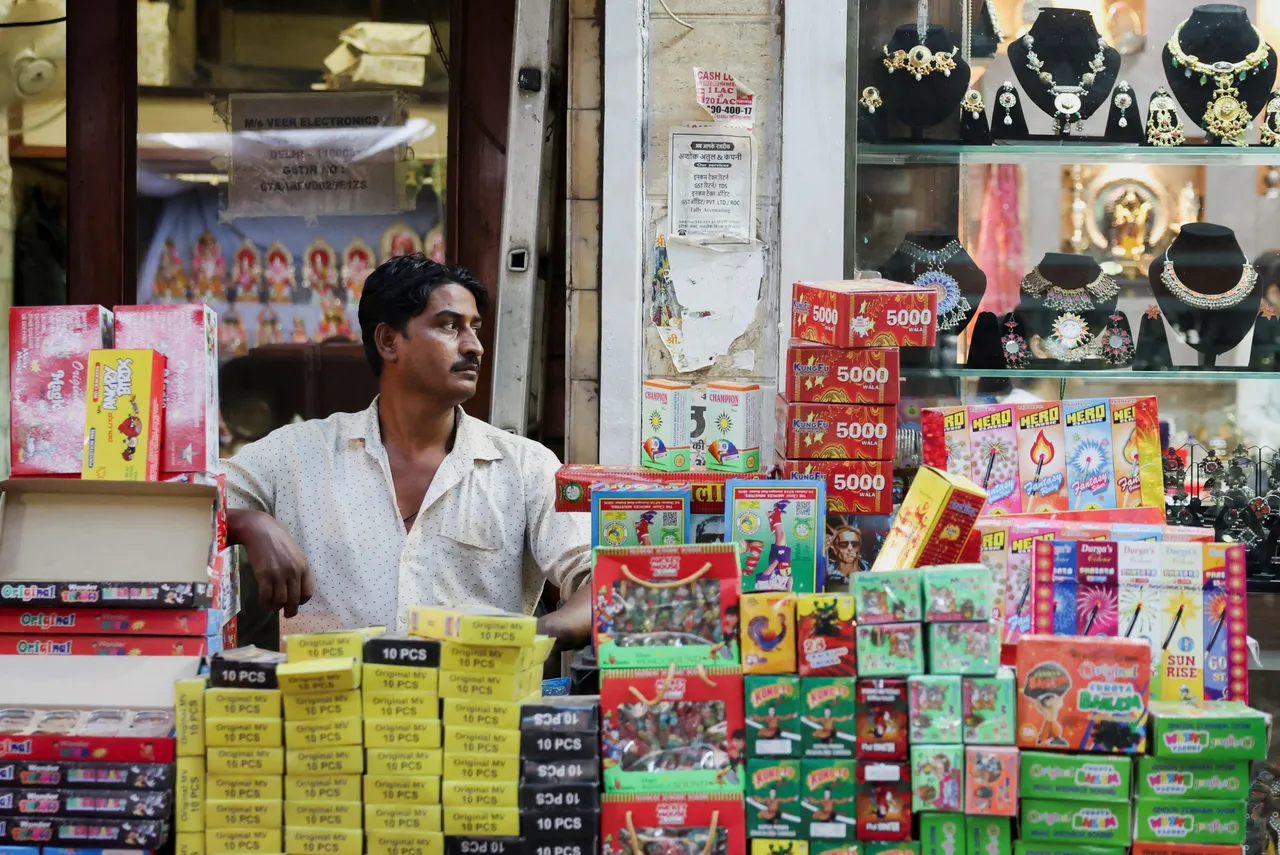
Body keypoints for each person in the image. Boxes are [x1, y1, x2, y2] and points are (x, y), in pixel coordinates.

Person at [223, 254, 592, 650]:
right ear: (388, 341)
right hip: (328, 705)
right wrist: (246, 523)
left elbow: (600, 577)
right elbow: (178, 506)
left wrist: (524, 638)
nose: (474, 346)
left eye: (475, 328)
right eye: (450, 326)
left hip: (476, 704)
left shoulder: (523, 467)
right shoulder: (296, 455)